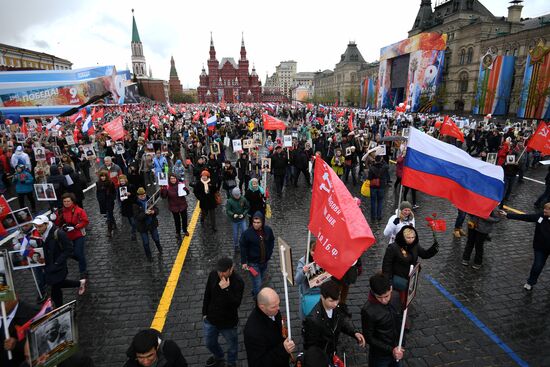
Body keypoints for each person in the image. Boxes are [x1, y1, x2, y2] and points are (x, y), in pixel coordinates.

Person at [303, 280, 365, 361]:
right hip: (321, 357)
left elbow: (340, 322)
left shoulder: (337, 307)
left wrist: (354, 333)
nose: (335, 304)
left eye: (337, 300)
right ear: (322, 297)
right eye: (331, 301)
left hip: (332, 351)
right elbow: (310, 347)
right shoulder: (312, 320)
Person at [33, 215, 86, 308]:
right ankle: (80, 283)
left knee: (55, 287)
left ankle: (59, 308)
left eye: (40, 226)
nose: (38, 229)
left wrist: (57, 262)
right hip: (49, 264)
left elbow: (69, 249)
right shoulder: (40, 234)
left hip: (58, 264)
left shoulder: (59, 233)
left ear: (46, 224)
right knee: (57, 283)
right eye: (36, 227)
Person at [202, 257, 244, 367]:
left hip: (228, 323)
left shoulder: (238, 282)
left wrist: (226, 289)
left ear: (231, 269)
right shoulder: (213, 275)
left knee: (232, 346)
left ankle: (231, 363)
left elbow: (236, 304)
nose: (221, 274)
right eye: (219, 271)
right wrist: (204, 313)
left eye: (224, 271)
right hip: (211, 319)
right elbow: (207, 294)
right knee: (209, 343)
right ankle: (219, 356)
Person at [382, 226, 438, 306]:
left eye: (413, 237)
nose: (411, 240)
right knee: (397, 300)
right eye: (408, 237)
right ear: (402, 237)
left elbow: (424, 254)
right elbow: (386, 266)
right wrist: (389, 282)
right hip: (398, 279)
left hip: (410, 278)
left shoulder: (415, 245)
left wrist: (434, 248)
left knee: (406, 299)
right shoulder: (393, 247)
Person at [500, 203, 550, 291]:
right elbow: (526, 217)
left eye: (547, 209)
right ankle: (530, 282)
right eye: (545, 209)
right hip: (540, 247)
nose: (544, 210)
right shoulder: (540, 216)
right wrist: (507, 215)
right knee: (537, 266)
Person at [243, 287, 296, 367]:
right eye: (274, 307)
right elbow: (258, 364)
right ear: (262, 307)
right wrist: (283, 349)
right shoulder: (252, 332)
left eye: (278, 304)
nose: (278, 308)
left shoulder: (273, 311)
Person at [361, 272, 404, 367]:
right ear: (373, 292)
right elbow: (368, 337)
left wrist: (401, 344)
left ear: (391, 289)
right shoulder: (368, 310)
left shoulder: (396, 296)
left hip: (397, 348)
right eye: (379, 297)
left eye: (387, 296)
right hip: (380, 356)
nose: (384, 300)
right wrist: (390, 349)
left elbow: (400, 321)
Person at [55, 193, 89, 279]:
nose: (66, 203)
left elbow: (85, 221)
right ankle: (82, 261)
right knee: (69, 254)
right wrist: (54, 218)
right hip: (66, 237)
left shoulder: (79, 210)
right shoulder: (60, 211)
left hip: (78, 234)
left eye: (68, 201)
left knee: (78, 253)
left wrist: (75, 227)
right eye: (64, 201)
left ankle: (83, 271)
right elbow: (57, 224)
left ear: (72, 201)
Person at [240, 211, 275, 297]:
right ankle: (257, 298)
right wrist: (244, 261)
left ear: (262, 222)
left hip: (264, 262)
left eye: (258, 222)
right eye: (254, 222)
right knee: (258, 283)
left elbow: (271, 241)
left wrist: (269, 252)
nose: (256, 224)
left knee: (259, 280)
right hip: (253, 263)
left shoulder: (268, 230)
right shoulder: (247, 233)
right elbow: (243, 247)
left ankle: (254, 291)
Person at [1, 297, 39, 367]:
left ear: (15, 296)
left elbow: (40, 344)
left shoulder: (34, 314)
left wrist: (17, 345)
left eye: (4, 301)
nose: (1, 306)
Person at [123, 328, 187, 367]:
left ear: (157, 347)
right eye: (140, 357)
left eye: (150, 356)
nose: (146, 362)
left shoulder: (170, 350)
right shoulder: (131, 364)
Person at [133, 187, 162, 261]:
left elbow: (157, 209)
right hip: (142, 226)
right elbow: (138, 217)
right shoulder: (135, 204)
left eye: (144, 195)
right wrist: (145, 213)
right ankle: (149, 256)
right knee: (145, 243)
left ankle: (159, 248)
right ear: (138, 196)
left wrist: (153, 212)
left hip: (152, 223)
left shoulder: (150, 200)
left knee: (156, 238)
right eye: (140, 196)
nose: (143, 197)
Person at [295, 241, 321, 320]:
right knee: (307, 315)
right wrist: (303, 271)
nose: (314, 253)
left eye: (317, 251)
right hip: (307, 293)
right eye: (313, 251)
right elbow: (297, 280)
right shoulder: (303, 261)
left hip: (320, 292)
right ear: (309, 250)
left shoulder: (323, 259)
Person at [161, 173, 190, 241]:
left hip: (182, 205)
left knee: (184, 219)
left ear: (176, 178)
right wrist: (163, 189)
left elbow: (187, 193)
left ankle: (185, 230)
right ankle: (178, 232)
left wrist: (185, 189)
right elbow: (164, 197)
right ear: (169, 179)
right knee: (177, 221)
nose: (173, 180)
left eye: (174, 178)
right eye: (171, 179)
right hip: (174, 206)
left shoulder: (180, 184)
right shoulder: (167, 186)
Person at [368, 155, 389, 221]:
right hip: (381, 186)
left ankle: (373, 217)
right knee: (380, 202)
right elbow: (387, 165)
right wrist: (383, 160)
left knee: (373, 202)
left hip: (373, 187)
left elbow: (369, 178)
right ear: (381, 160)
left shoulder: (371, 168)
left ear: (375, 160)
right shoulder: (384, 167)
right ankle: (379, 216)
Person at [96, 170, 117, 237]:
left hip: (109, 201)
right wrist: (99, 199)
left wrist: (112, 198)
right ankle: (114, 223)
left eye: (104, 176)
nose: (103, 177)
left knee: (108, 216)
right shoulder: (98, 183)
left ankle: (109, 230)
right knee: (109, 214)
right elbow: (98, 192)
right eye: (101, 176)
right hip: (102, 202)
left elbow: (114, 192)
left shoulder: (110, 183)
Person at [118, 174, 137, 241]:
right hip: (125, 206)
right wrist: (121, 199)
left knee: (133, 221)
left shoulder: (130, 186)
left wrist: (130, 194)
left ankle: (133, 232)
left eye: (123, 181)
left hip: (131, 206)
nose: (122, 182)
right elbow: (118, 197)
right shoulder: (119, 187)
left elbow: (135, 196)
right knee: (130, 220)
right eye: (121, 181)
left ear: (125, 180)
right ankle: (133, 228)